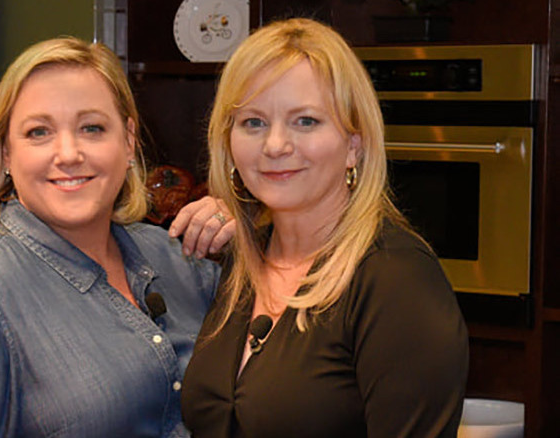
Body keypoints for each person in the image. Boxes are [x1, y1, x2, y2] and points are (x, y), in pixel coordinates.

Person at [0, 37, 232, 437]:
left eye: (91, 128)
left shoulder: (180, 257)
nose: (68, 153)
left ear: (127, 141)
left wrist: (244, 231)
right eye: (39, 132)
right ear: (5, 153)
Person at [180, 18, 469, 437]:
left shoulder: (396, 278)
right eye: (254, 123)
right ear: (228, 143)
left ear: (354, 145)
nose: (276, 145)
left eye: (306, 121)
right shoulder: (238, 262)